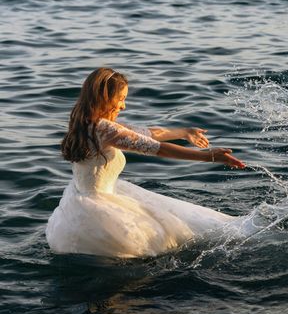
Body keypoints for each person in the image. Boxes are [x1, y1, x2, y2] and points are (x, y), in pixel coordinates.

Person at [46, 67, 249, 258]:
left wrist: (184, 132)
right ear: (105, 98)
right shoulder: (105, 129)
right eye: (121, 99)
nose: (123, 105)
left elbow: (148, 133)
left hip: (78, 202)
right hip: (100, 210)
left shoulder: (82, 123)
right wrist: (207, 156)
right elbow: (156, 148)